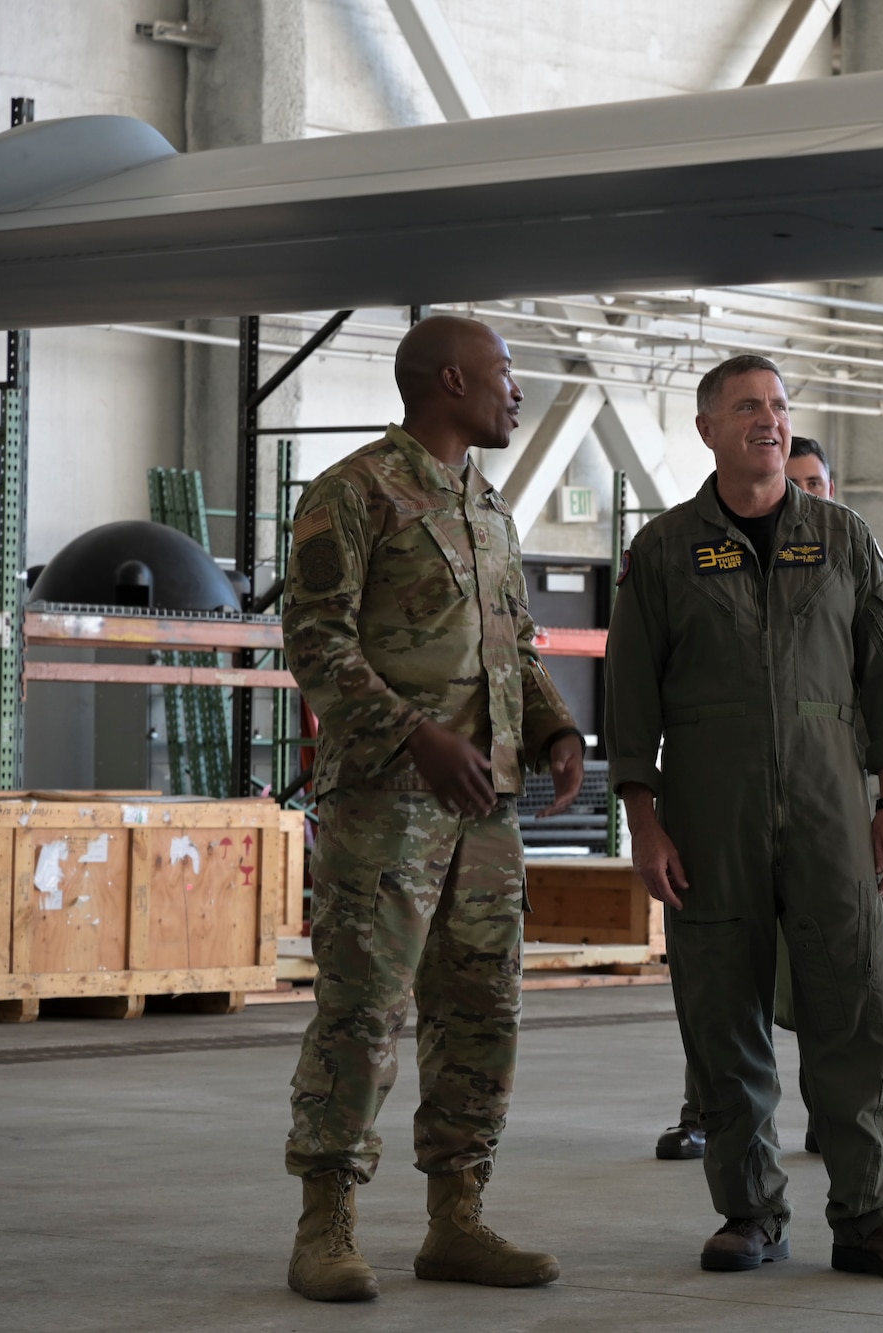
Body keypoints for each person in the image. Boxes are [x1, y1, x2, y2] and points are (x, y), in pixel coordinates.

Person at [607, 354, 883, 1282]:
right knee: (723, 1014)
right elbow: (631, 696)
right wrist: (644, 819)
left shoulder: (842, 537)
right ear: (708, 427)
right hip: (709, 816)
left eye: (780, 406)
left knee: (855, 1011)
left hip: (833, 810)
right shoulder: (666, 551)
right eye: (748, 407)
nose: (769, 419)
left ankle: (873, 1213)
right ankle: (749, 1210)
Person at [281, 315, 585, 1302]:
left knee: (481, 1009)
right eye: (502, 376)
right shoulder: (354, 493)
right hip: (387, 804)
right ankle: (325, 1221)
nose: (515, 394)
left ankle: (456, 1217)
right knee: (364, 1010)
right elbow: (317, 643)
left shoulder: (486, 506)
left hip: (486, 809)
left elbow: (515, 646)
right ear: (448, 380)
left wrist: (553, 730)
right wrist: (415, 734)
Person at [655, 433, 835, 1163]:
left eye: (818, 483)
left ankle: (833, 1108)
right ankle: (707, 1107)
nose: (807, 495)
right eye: (798, 482)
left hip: (823, 802)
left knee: (829, 975)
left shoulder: (842, 563)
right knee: (720, 974)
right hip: (728, 802)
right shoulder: (694, 555)